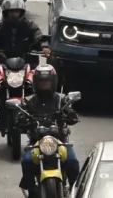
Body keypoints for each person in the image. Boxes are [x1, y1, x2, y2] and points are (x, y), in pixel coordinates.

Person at [0, 0, 50, 129]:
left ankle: (42, 114)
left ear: (21, 12)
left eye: (16, 11)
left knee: (43, 81)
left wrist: (44, 47)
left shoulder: (30, 26)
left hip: (27, 64)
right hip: (3, 64)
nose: (14, 14)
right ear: (6, 13)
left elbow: (39, 36)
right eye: (11, 12)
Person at [16, 65, 80, 197]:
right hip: (37, 142)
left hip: (60, 142)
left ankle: (76, 190)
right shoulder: (28, 101)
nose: (44, 85)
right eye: (41, 82)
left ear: (53, 82)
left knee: (72, 161)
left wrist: (68, 115)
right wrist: (22, 121)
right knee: (27, 161)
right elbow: (19, 121)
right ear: (36, 83)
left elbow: (73, 117)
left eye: (47, 82)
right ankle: (32, 190)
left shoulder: (62, 99)